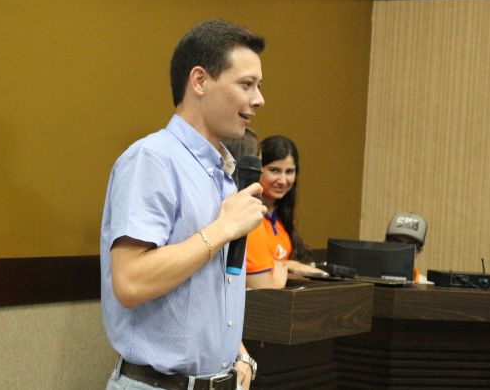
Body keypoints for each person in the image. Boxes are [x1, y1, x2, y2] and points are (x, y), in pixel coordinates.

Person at [100, 19, 267, 390]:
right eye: (246, 84)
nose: (258, 99)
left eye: (259, 86)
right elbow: (129, 282)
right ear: (200, 81)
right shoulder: (152, 160)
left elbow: (203, 293)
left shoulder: (224, 173)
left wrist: (238, 353)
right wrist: (223, 229)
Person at [245, 135, 323, 289]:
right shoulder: (247, 212)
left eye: (289, 172)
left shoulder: (284, 214)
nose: (283, 180)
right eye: (274, 170)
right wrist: (288, 264)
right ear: (258, 169)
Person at [384, 211, 428, 283]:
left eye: (410, 246)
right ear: (385, 243)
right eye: (396, 243)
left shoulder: (427, 287)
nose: (402, 251)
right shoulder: (367, 282)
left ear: (419, 251)